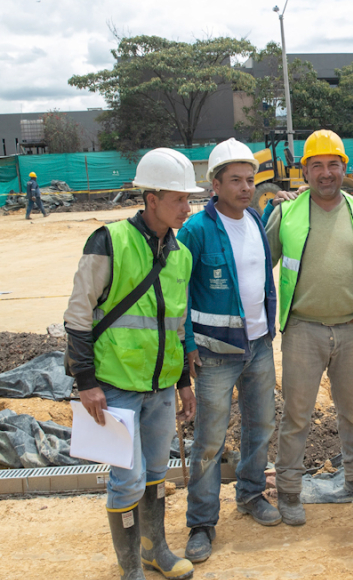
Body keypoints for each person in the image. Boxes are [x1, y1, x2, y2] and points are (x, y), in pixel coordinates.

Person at [63, 148, 201, 580]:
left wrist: (182, 384)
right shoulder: (108, 241)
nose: (187, 207)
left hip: (160, 388)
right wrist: (86, 381)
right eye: (179, 198)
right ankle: (130, 571)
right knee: (127, 480)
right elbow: (78, 315)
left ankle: (154, 550)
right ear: (152, 198)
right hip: (115, 386)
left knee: (156, 473)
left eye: (188, 199)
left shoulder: (180, 255)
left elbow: (176, 324)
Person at [265, 129, 353, 525]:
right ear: (304, 171)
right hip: (302, 329)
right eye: (316, 165)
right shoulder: (286, 213)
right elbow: (256, 265)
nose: (325, 173)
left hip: (351, 329)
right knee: (297, 415)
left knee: (352, 413)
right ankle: (288, 491)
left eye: (332, 165)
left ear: (343, 168)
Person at [177, 138, 279, 563]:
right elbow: (177, 290)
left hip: (258, 346)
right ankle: (201, 521)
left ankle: (252, 493)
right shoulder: (196, 230)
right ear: (214, 184)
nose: (245, 187)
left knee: (260, 426)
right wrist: (187, 348)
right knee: (209, 440)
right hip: (215, 352)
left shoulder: (255, 220)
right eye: (235, 180)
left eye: (249, 180)